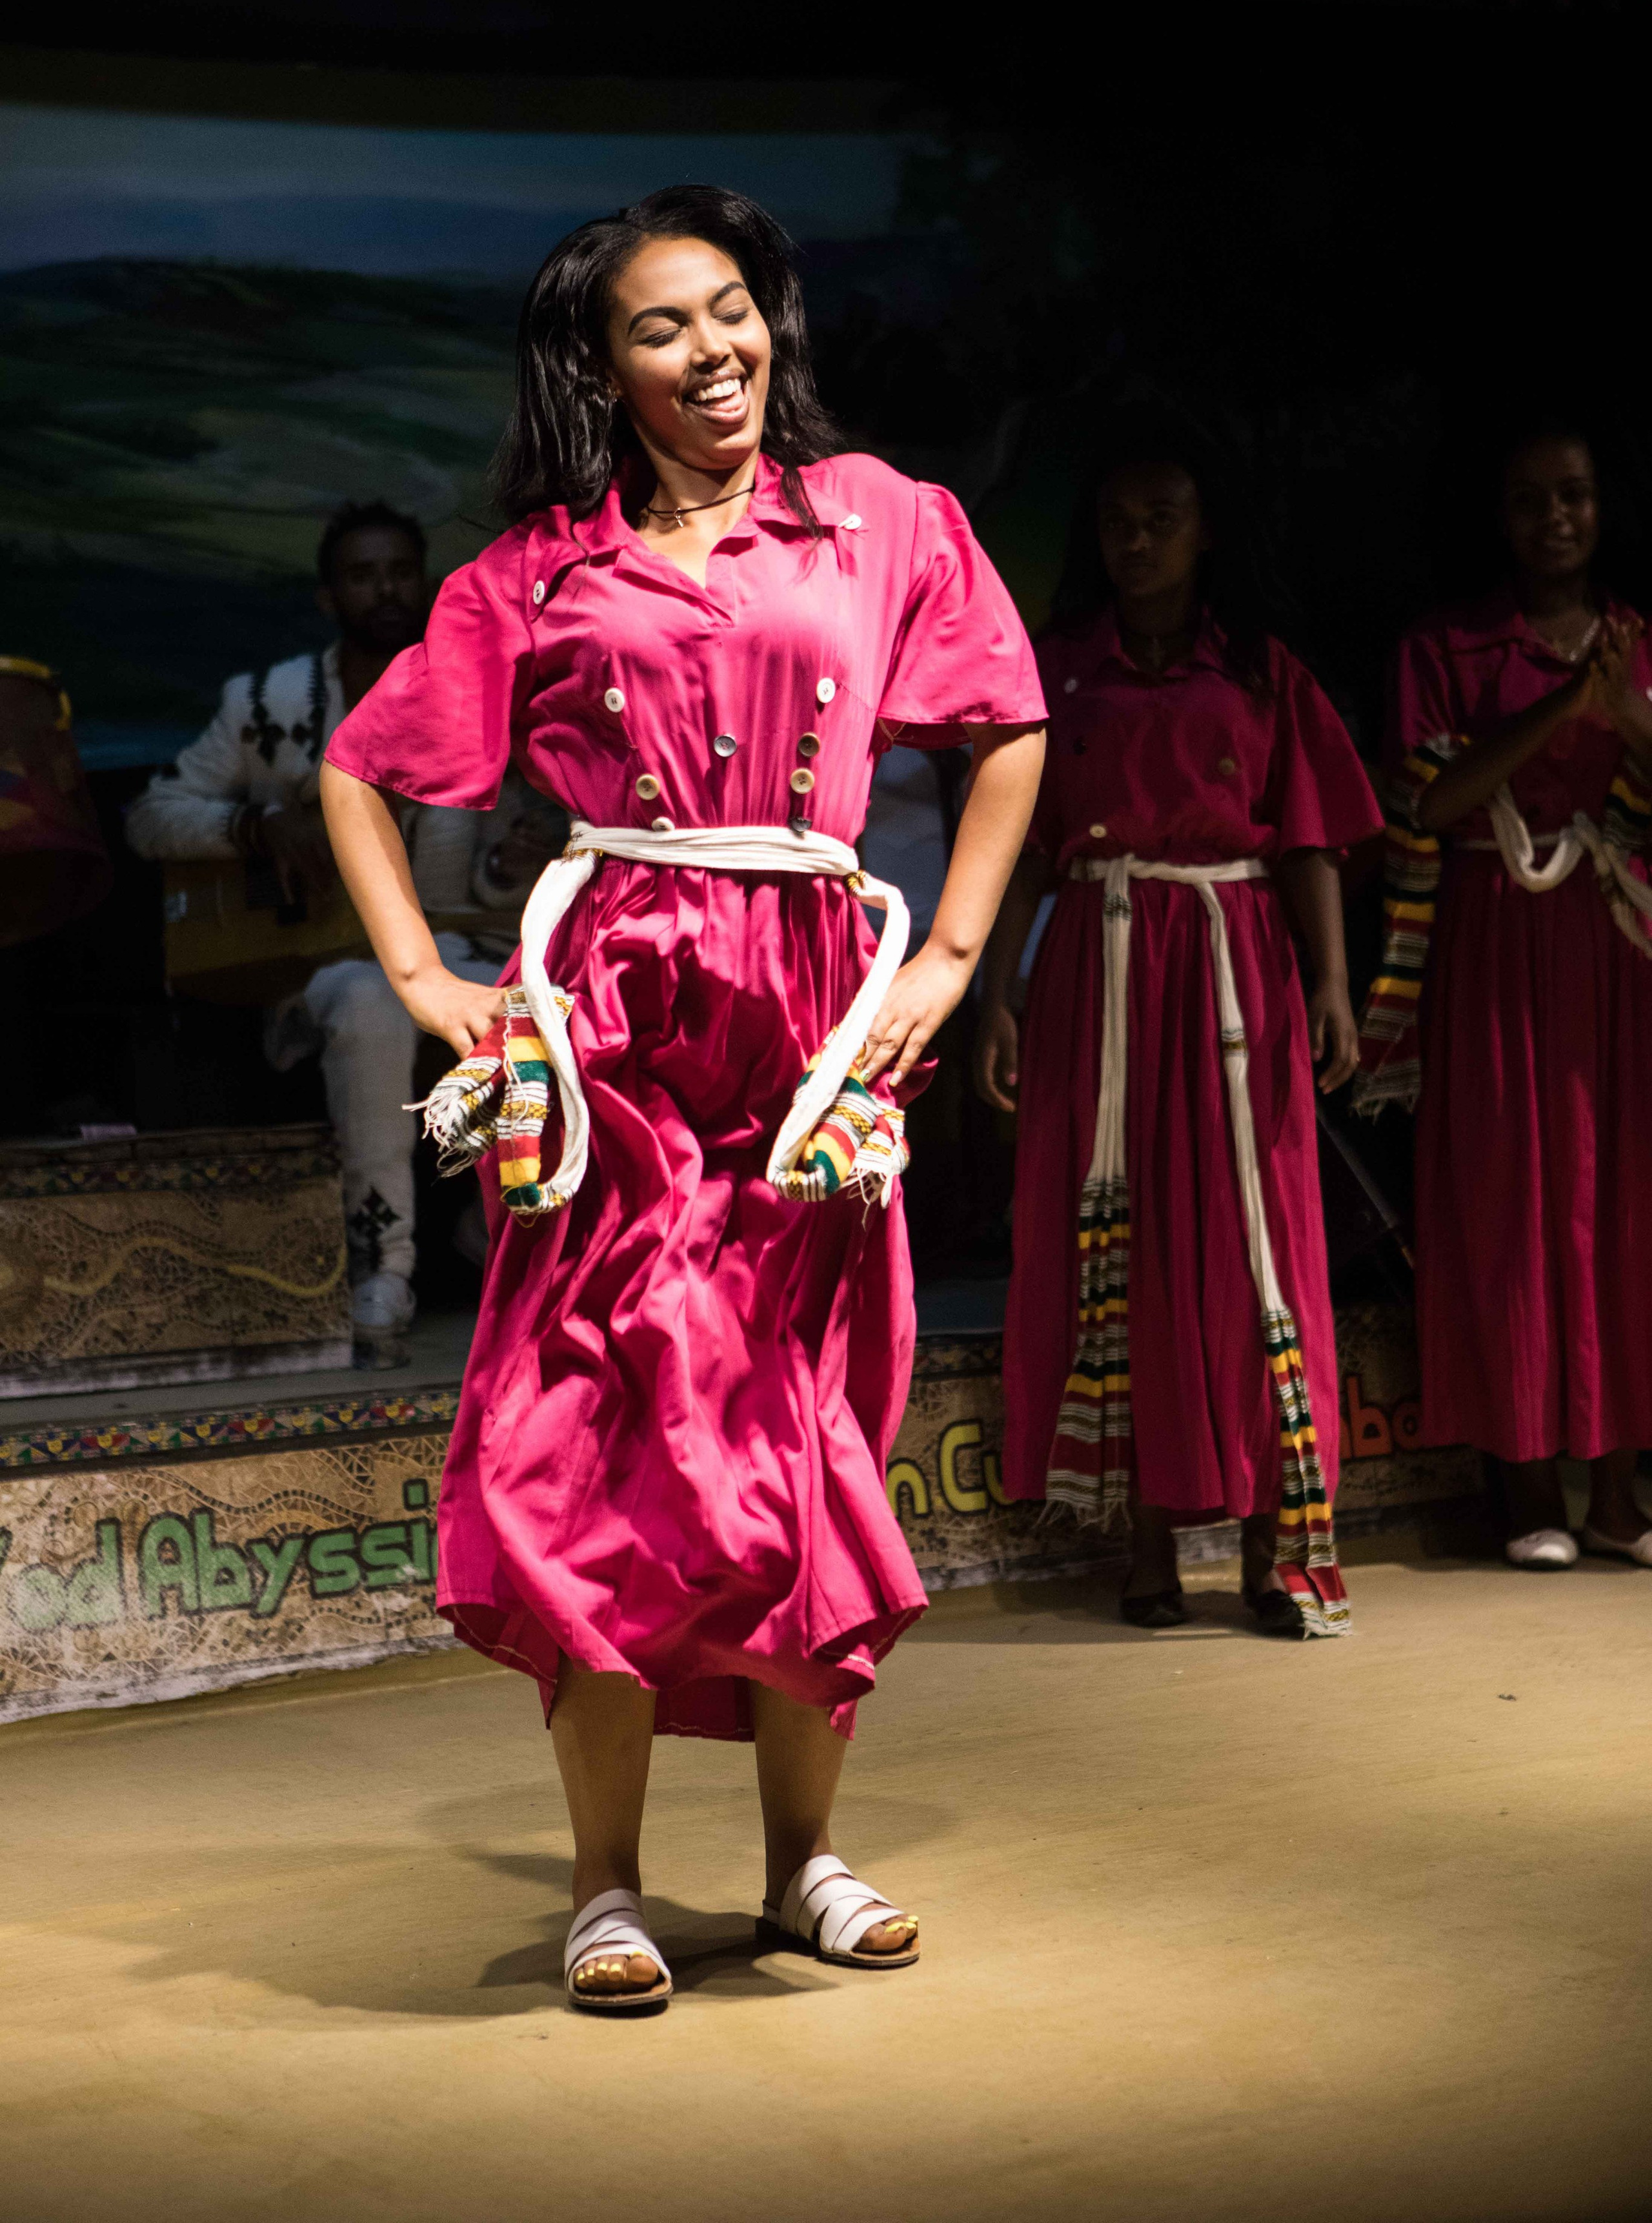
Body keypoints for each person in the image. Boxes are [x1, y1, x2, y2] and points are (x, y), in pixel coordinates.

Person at [319, 186, 1045, 2013]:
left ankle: (804, 1863)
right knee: (590, 1444)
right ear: (601, 368)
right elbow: (363, 769)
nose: (714, 350)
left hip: (810, 1032)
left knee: (801, 1435)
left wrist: (952, 957)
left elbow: (1007, 721)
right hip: (614, 1046)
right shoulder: (541, 570)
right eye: (663, 326)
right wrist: (428, 986)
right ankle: (606, 1886)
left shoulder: (877, 515)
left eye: (731, 310)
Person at [978, 411, 1380, 1636]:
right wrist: (998, 992)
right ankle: (1145, 1547)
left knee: (1251, 1241)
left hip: (1233, 967)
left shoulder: (1259, 669)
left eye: (1163, 519)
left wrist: (1332, 984)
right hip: (1098, 974)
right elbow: (1023, 850)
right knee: (1124, 1240)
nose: (1139, 540)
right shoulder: (1059, 671)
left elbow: (1307, 837)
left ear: (1207, 533)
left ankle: (1270, 1553)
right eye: (1119, 522)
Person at [1355, 415, 1652, 1570]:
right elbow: (1429, 804)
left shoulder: (1638, 642)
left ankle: (1619, 1498)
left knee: (1620, 1205)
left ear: (1603, 504)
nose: (1555, 518)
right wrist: (1563, 708)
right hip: (1491, 941)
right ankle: (1529, 1492)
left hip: (1612, 943)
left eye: (1573, 494)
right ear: (1499, 516)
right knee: (1510, 1199)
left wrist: (1624, 711)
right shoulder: (1447, 646)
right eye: (1530, 499)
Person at [125, 500, 524, 1346]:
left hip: (465, 949)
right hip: (321, 970)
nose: (385, 589)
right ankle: (385, 1263)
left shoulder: (480, 698)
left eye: (400, 571)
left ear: (425, 583)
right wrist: (255, 827)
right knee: (373, 1003)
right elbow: (151, 817)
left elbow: (499, 873)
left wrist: (509, 866)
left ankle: (498, 1229)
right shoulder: (268, 704)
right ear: (327, 597)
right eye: (362, 575)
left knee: (534, 1010)